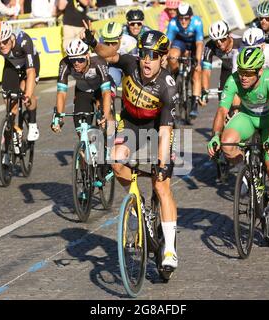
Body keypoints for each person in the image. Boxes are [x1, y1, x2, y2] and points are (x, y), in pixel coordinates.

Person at [82, 25, 179, 271]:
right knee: (115, 160)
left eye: (153, 56)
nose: (147, 60)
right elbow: (108, 54)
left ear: (162, 58)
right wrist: (94, 42)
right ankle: (134, 198)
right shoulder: (130, 64)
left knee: (161, 184)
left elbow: (166, 131)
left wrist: (161, 163)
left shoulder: (167, 86)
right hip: (132, 126)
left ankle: (170, 249)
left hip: (158, 130)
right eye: (144, 54)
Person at [207, 47, 269, 237]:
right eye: (241, 72)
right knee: (227, 144)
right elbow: (222, 110)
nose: (243, 77)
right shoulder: (233, 79)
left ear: (260, 71)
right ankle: (245, 171)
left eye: (249, 73)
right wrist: (216, 136)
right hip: (248, 117)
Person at [233, 28, 269, 164]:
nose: (251, 51)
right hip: (254, 88)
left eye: (255, 48)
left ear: (263, 46)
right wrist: (236, 108)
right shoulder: (240, 54)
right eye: (247, 47)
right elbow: (236, 84)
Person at [0, 21, 40, 142]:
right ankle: (14, 131)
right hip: (11, 66)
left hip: (29, 66)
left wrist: (27, 95)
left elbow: (30, 72)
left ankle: (33, 124)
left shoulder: (24, 41)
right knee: (9, 101)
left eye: (5, 41)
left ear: (10, 37)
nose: (1, 45)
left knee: (24, 91)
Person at [51, 39, 114, 134]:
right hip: (82, 91)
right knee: (81, 131)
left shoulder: (98, 61)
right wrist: (59, 117)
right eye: (72, 60)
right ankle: (85, 147)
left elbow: (106, 92)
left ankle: (111, 144)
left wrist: (105, 115)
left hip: (101, 90)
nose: (76, 63)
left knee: (106, 120)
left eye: (80, 59)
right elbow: (61, 92)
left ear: (87, 56)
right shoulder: (65, 64)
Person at [166, 2, 203, 119]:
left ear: (191, 17)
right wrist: (165, 58)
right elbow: (168, 43)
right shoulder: (173, 23)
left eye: (186, 18)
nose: (183, 21)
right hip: (180, 43)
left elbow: (199, 43)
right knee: (172, 56)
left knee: (197, 71)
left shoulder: (197, 22)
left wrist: (197, 61)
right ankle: (177, 76)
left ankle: (195, 103)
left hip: (193, 44)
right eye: (180, 18)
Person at [201, 20, 242, 102]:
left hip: (241, 70)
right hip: (226, 69)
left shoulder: (240, 42)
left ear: (229, 35)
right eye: (215, 40)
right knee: (223, 99)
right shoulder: (210, 46)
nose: (219, 43)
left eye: (222, 39)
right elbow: (206, 70)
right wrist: (204, 92)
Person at [99, 21, 137, 87]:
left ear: (121, 37)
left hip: (126, 67)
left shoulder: (130, 42)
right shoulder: (101, 40)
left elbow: (134, 65)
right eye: (107, 43)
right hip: (112, 67)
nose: (110, 46)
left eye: (113, 42)